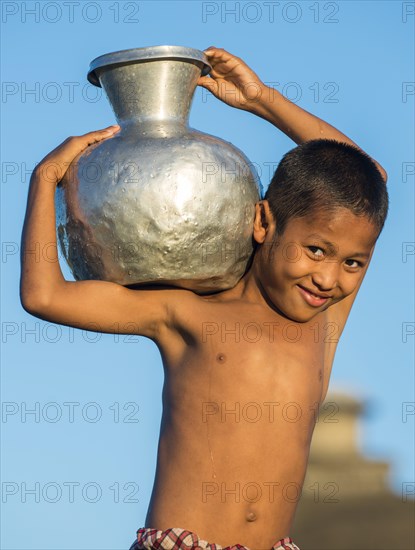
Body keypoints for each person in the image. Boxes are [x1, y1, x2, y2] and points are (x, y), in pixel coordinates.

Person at [20, 47, 388, 550]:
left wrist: (262, 100)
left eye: (352, 263)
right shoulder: (185, 313)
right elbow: (44, 296)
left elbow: (369, 178)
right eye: (315, 250)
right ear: (263, 223)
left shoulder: (322, 326)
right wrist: (44, 180)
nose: (329, 277)